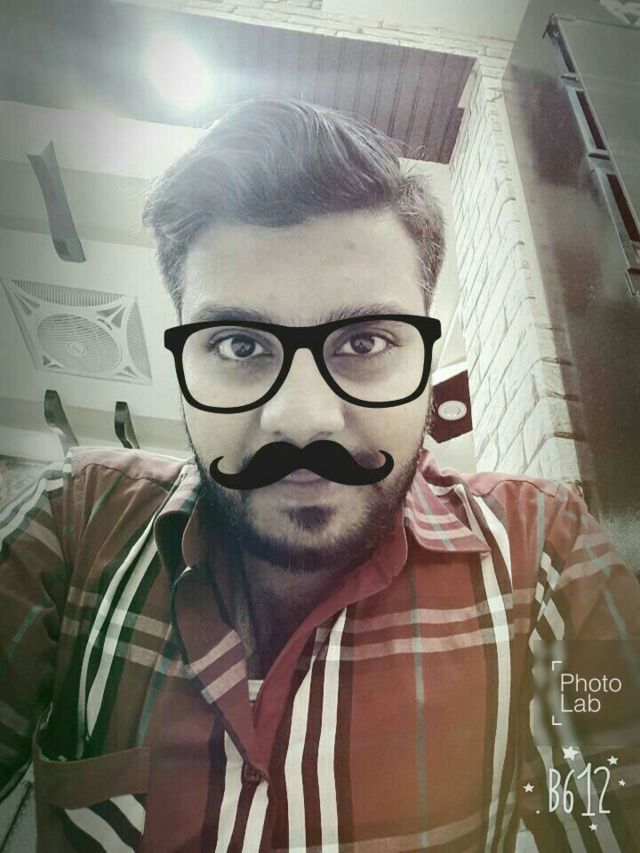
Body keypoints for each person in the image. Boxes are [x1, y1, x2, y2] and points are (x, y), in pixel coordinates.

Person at [1, 98, 638, 852]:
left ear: (428, 361)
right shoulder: (74, 520)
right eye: (239, 345)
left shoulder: (541, 554)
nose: (302, 420)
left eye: (364, 341)